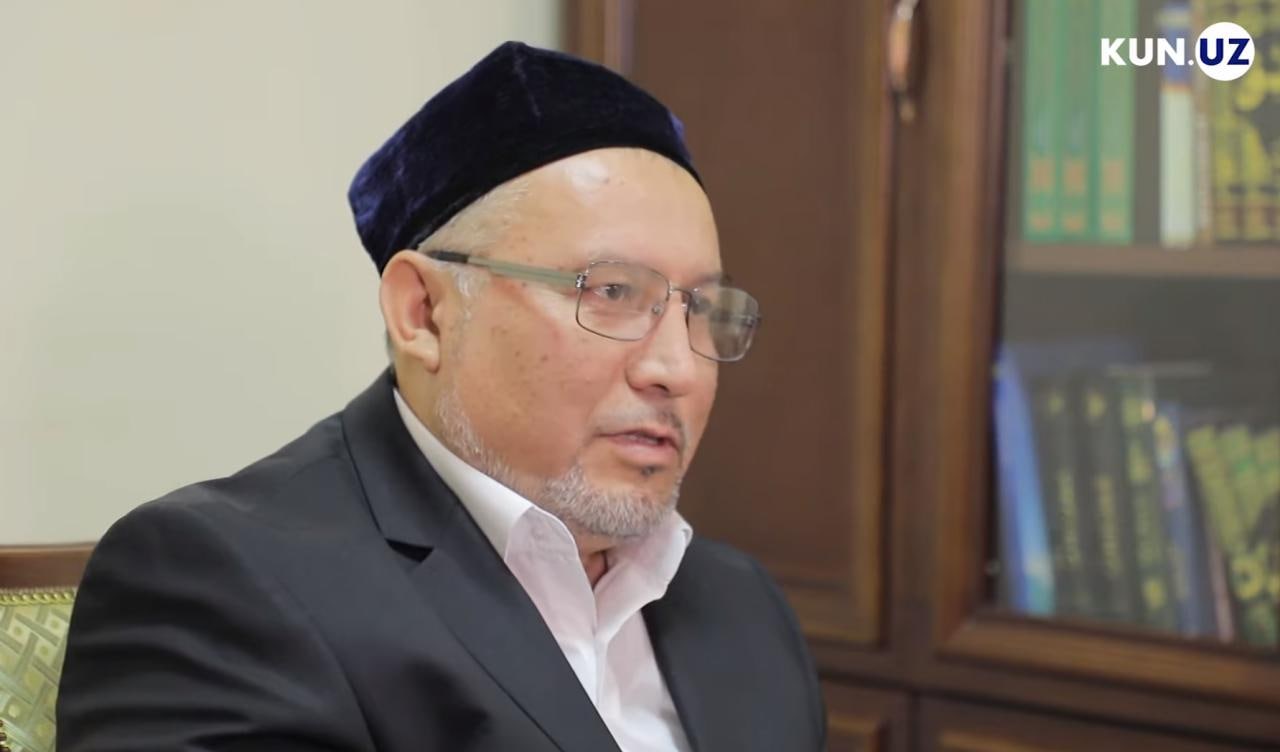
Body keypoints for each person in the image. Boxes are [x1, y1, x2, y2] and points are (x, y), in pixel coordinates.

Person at [57, 41, 825, 751]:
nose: (677, 369)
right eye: (614, 292)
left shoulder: (740, 603)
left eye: (702, 309)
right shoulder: (225, 583)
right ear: (423, 313)